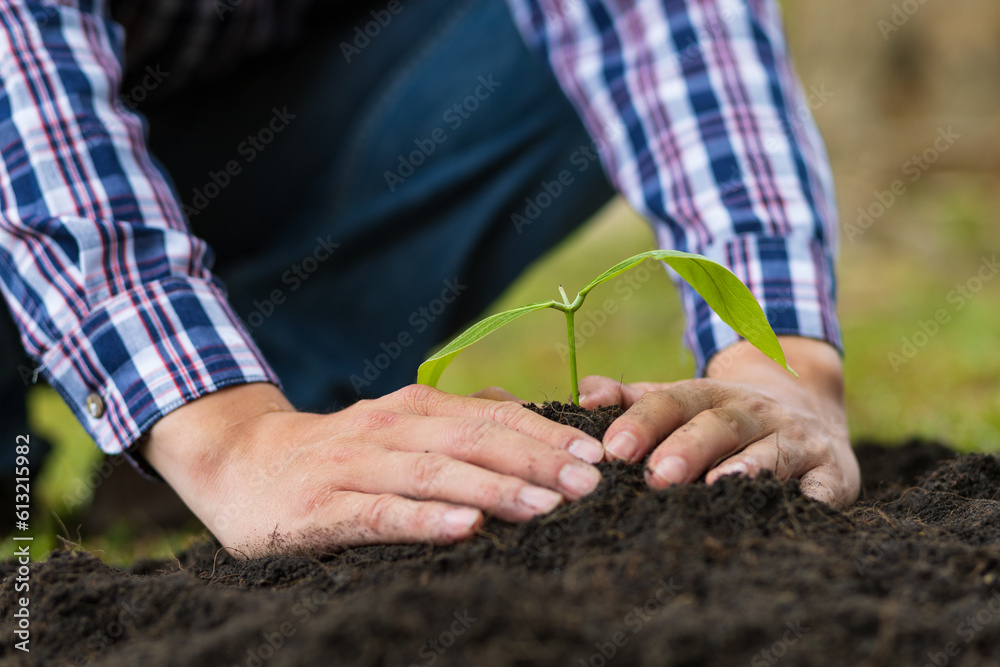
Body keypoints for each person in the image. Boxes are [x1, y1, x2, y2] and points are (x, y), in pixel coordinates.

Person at [0, 0, 859, 554]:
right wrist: (228, 439)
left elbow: (666, 27)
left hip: (234, 131)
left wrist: (777, 362)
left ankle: (284, 400)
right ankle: (202, 432)